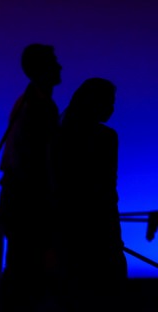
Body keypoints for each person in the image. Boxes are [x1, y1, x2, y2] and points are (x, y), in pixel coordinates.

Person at [0, 43, 63, 312]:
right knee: (30, 275)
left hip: (19, 200)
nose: (60, 67)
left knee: (22, 272)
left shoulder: (26, 103)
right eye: (54, 62)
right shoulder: (39, 107)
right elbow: (37, 163)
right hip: (30, 204)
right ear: (43, 68)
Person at [57, 77, 128, 312]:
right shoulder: (107, 137)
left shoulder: (61, 134)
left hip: (69, 227)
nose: (112, 107)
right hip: (100, 225)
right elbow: (107, 187)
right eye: (109, 101)